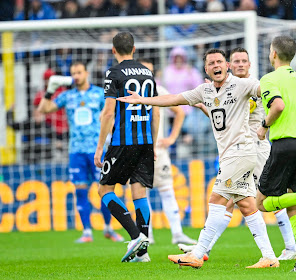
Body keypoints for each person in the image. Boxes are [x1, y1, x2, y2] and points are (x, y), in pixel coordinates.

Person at [118, 49, 278, 269]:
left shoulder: (243, 85)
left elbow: (267, 90)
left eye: (219, 62)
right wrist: (143, 99)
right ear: (206, 69)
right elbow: (173, 99)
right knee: (247, 204)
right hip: (231, 154)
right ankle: (269, 257)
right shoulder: (205, 91)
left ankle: (198, 253)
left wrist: (286, 81)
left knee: (216, 200)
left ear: (227, 65)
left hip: (242, 151)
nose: (216, 66)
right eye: (211, 63)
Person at [179, 47, 296, 261]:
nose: (241, 64)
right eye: (237, 61)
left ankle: (290, 246)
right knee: (235, 201)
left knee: (266, 195)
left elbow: (273, 104)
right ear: (229, 65)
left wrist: (288, 86)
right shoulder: (225, 87)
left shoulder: (254, 86)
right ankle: (203, 249)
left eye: (245, 60)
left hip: (257, 148)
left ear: (250, 64)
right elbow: (222, 119)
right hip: (238, 149)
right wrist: (205, 104)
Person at [255, 36, 296, 272]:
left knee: (261, 203)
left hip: (286, 145)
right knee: (292, 208)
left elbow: (278, 105)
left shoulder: (269, 79)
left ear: (273, 53)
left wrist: (263, 125)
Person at [38, 61, 124, 243]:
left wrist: (114, 143)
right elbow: (43, 110)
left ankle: (108, 228)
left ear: (86, 73)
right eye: (73, 73)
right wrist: (50, 90)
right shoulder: (67, 96)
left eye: (79, 72)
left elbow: (111, 116)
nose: (76, 76)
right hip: (76, 150)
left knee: (104, 189)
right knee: (80, 191)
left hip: (97, 150)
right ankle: (87, 232)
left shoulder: (100, 93)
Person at [94, 32, 160, 263]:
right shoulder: (148, 73)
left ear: (114, 50)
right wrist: (155, 141)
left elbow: (109, 112)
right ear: (134, 48)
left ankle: (135, 237)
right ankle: (143, 253)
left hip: (123, 141)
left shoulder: (114, 73)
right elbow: (156, 108)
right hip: (146, 140)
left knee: (104, 189)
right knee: (139, 192)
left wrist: (100, 147)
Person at [139, 59, 197, 247]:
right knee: (140, 193)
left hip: (158, 150)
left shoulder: (159, 91)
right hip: (137, 151)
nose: (148, 74)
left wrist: (171, 138)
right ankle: (146, 235)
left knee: (167, 190)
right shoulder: (130, 92)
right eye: (144, 71)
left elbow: (179, 112)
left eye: (151, 71)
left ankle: (177, 233)